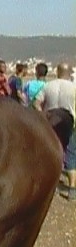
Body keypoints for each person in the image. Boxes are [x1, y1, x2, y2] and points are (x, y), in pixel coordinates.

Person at [33, 63, 76, 201]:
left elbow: (36, 103)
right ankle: (72, 189)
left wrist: (42, 117)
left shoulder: (48, 86)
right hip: (69, 123)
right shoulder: (73, 87)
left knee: (49, 152)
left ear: (57, 72)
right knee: (70, 155)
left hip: (50, 122)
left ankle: (48, 184)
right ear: (69, 73)